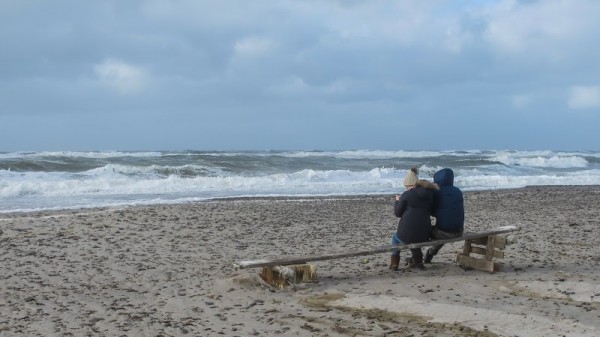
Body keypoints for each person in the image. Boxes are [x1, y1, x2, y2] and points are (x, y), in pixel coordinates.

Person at [390, 167, 438, 271]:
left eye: (407, 186)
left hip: (408, 235)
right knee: (415, 235)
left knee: (396, 238)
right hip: (425, 234)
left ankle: (394, 263)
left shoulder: (407, 195)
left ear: (410, 185)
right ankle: (418, 262)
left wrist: (397, 201)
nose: (406, 189)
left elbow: (397, 213)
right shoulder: (430, 194)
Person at [425, 168, 465, 263]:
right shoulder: (458, 191)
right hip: (459, 231)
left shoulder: (437, 192)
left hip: (444, 232)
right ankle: (430, 253)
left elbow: (430, 211)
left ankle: (417, 257)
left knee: (418, 232)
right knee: (446, 227)